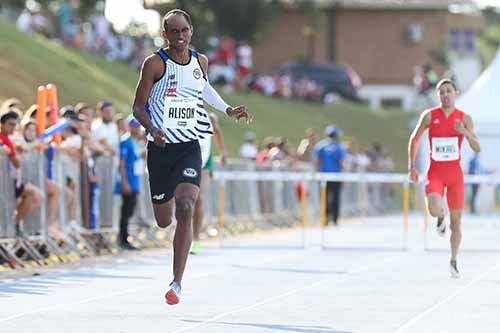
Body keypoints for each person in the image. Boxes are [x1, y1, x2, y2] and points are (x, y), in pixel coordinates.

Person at [132, 8, 252, 305]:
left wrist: (228, 109)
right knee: (164, 220)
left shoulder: (200, 61)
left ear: (191, 31)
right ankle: (166, 204)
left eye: (185, 30)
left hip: (189, 145)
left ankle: (177, 282)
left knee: (187, 205)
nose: (181, 36)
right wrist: (152, 129)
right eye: (174, 31)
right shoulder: (154, 64)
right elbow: (137, 107)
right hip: (160, 149)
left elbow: (204, 89)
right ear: (165, 35)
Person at [408, 78, 480, 278]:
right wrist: (411, 165)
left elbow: (477, 148)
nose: (445, 95)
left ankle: (453, 260)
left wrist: (464, 132)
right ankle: (440, 217)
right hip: (436, 173)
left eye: (448, 91)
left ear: (456, 93)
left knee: (456, 224)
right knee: (433, 209)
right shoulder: (429, 116)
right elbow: (414, 140)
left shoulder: (465, 118)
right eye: (441, 92)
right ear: (438, 95)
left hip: (455, 176)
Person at [0, 111, 43, 237]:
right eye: (10, 124)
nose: (12, 127)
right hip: (6, 181)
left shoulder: (10, 138)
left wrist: (12, 152)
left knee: (35, 197)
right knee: (35, 195)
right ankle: (12, 226)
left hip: (12, 180)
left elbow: (17, 161)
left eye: (15, 125)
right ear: (1, 124)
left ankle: (15, 225)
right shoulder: (5, 138)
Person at [191, 113, 226, 255]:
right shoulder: (184, 111)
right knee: (184, 200)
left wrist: (223, 152)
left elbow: (216, 130)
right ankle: (183, 233)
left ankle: (196, 240)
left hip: (204, 161)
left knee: (198, 199)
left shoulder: (208, 118)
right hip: (186, 157)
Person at [115, 115, 144, 250]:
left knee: (131, 209)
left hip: (135, 180)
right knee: (126, 210)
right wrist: (124, 182)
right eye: (135, 126)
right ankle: (123, 238)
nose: (137, 129)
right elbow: (121, 162)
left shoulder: (135, 142)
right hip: (128, 180)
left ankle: (124, 236)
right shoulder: (125, 141)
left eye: (139, 126)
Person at [314, 125, 346, 225]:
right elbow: (341, 163)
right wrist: (344, 177)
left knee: (324, 197)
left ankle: (325, 218)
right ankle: (335, 219)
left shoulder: (320, 146)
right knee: (336, 197)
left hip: (323, 176)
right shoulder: (339, 147)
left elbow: (317, 162)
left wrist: (317, 173)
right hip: (336, 176)